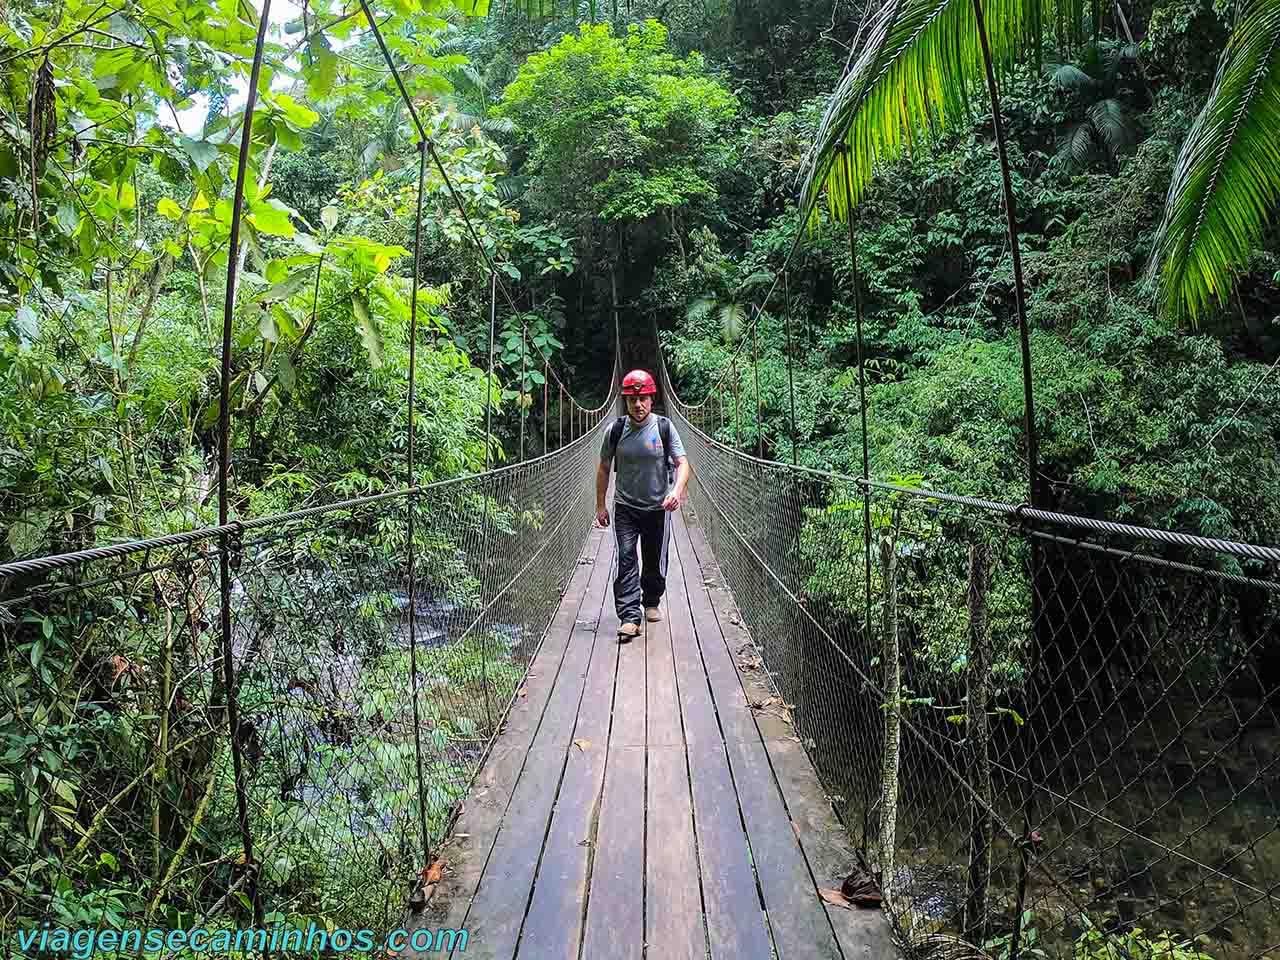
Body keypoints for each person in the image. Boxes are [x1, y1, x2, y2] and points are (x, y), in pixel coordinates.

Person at [594, 368, 690, 642]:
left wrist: (676, 491)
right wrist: (600, 506)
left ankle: (651, 599)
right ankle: (628, 617)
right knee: (625, 556)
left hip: (657, 507)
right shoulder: (615, 430)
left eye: (643, 399)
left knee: (653, 557)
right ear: (625, 401)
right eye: (632, 399)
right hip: (625, 505)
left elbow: (683, 464)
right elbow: (603, 467)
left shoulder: (664, 427)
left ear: (651, 399)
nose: (638, 404)